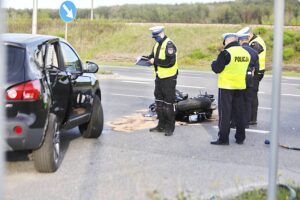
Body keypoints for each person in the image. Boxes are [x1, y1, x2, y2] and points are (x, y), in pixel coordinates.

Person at [211, 33, 250, 145]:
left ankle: (223, 139)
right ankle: (240, 138)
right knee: (239, 113)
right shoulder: (245, 52)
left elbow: (217, 68)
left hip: (226, 87)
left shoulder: (226, 53)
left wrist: (212, 63)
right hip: (240, 86)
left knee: (225, 114)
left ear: (227, 41)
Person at [146, 26, 178, 136]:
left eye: (156, 37)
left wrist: (155, 61)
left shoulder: (169, 44)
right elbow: (152, 56)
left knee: (168, 104)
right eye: (154, 37)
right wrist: (144, 59)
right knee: (159, 102)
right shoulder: (157, 44)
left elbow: (170, 62)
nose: (155, 39)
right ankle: (161, 125)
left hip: (169, 78)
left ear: (161, 34)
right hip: (159, 77)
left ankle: (170, 128)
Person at [237, 27, 266, 125]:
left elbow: (250, 56)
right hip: (256, 71)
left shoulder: (256, 43)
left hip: (256, 72)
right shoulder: (254, 41)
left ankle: (252, 118)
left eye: (244, 37)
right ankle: (250, 117)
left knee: (252, 95)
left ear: (249, 35)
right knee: (251, 94)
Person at [231, 33, 259, 128]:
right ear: (247, 40)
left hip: (239, 78)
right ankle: (246, 123)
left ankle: (234, 122)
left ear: (240, 41)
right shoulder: (254, 52)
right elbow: (257, 68)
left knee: (237, 101)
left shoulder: (238, 51)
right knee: (247, 101)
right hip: (249, 78)